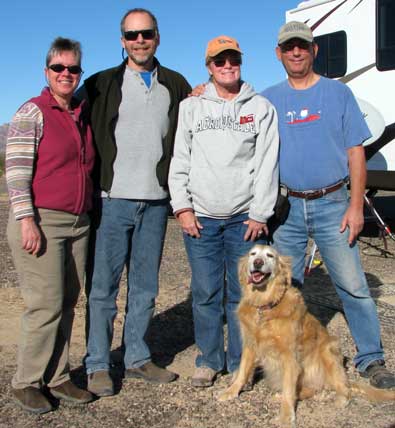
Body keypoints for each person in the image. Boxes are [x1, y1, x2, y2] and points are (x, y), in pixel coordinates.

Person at [262, 21, 395, 389]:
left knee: (353, 286)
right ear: (279, 53)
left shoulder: (338, 94)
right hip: (286, 209)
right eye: (288, 46)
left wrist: (356, 206)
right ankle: (286, 358)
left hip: (333, 203)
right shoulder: (269, 98)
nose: (296, 52)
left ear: (314, 50)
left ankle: (371, 359)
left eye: (302, 46)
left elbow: (356, 153)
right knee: (284, 288)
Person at [82, 8, 191, 396]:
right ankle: (97, 363)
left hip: (157, 203)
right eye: (132, 35)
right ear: (122, 40)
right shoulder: (100, 84)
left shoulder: (176, 84)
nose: (140, 40)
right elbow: (72, 124)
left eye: (146, 33)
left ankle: (137, 357)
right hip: (112, 202)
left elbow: (191, 132)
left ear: (158, 36)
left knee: (145, 288)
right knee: (103, 289)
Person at [168, 35, 279, 387]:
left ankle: (240, 364)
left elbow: (267, 164)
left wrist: (260, 213)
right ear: (209, 67)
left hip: (243, 220)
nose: (227, 66)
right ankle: (208, 359)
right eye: (220, 61)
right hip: (201, 217)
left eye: (233, 59)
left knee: (243, 294)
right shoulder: (192, 108)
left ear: (240, 63)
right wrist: (182, 207)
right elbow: (179, 160)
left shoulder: (260, 107)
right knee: (205, 292)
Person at [6, 37, 95, 414]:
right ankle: (26, 381)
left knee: (69, 302)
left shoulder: (80, 111)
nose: (66, 74)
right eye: (58, 68)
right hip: (42, 219)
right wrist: (27, 220)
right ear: (47, 72)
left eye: (73, 68)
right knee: (44, 304)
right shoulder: (33, 112)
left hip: (79, 222)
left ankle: (57, 377)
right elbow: (16, 173)